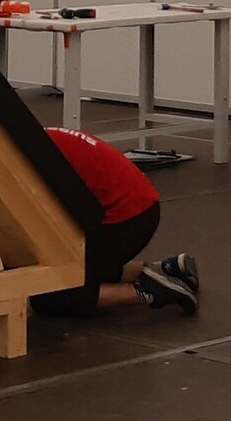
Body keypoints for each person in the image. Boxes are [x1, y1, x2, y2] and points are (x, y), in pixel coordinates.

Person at [34, 127, 198, 317]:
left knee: (49, 293)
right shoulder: (39, 139)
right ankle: (166, 269)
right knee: (68, 267)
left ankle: (150, 290)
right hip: (139, 208)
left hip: (127, 219)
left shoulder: (32, 156)